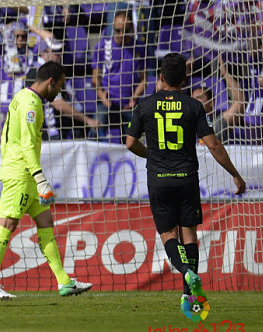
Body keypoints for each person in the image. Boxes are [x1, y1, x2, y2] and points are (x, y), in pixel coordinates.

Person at [126, 53, 246, 311]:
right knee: (189, 234)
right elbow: (213, 145)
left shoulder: (145, 105)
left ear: (160, 77)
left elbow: (129, 142)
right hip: (187, 178)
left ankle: (185, 274)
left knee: (169, 235)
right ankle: (188, 295)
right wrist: (234, 173)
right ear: (186, 78)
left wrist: (150, 154)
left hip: (159, 179)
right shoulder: (194, 106)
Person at [0, 61, 93, 298]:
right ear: (50, 82)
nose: (60, 91)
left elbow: (8, 136)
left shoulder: (21, 96)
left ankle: (64, 281)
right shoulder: (32, 105)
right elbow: (27, 145)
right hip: (22, 174)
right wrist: (40, 178)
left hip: (24, 173)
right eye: (60, 86)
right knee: (8, 223)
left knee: (45, 222)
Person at [91, 10, 146, 141]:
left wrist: (134, 97)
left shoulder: (140, 47)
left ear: (132, 28)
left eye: (125, 30)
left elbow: (144, 80)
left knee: (134, 138)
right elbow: (95, 79)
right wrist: (101, 95)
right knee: (95, 129)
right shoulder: (102, 47)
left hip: (129, 104)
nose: (121, 34)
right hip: (106, 103)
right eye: (117, 30)